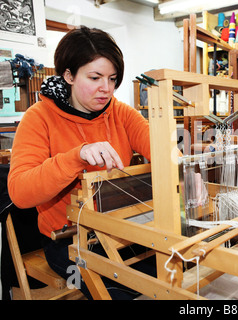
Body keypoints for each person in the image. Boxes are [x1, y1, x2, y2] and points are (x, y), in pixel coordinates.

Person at [7, 26, 155, 299]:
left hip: (119, 231)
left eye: (112, 79)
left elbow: (160, 147)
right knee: (115, 291)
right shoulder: (38, 117)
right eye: (95, 77)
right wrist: (77, 156)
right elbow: (19, 192)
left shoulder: (120, 113)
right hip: (68, 242)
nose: (106, 88)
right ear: (69, 75)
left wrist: (185, 169)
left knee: (172, 270)